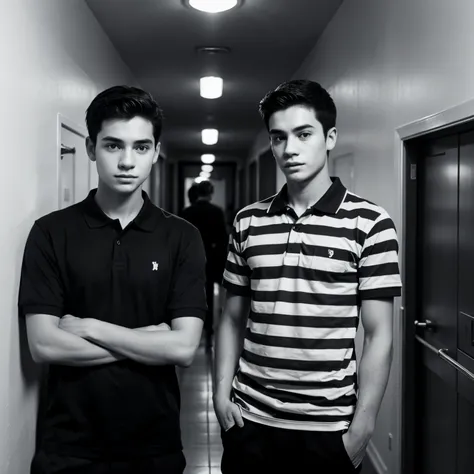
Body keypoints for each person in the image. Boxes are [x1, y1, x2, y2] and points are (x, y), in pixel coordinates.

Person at [213, 79, 402, 473]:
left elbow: (380, 333)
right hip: (250, 420)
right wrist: (219, 394)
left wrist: (364, 425)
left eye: (303, 134)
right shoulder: (248, 221)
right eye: (278, 138)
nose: (290, 149)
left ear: (330, 137)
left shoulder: (371, 224)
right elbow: (231, 318)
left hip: (329, 428)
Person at [18, 85, 207, 474]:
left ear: (156, 152)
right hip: (68, 446)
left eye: (140, 147)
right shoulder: (51, 233)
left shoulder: (181, 236)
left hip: (155, 444)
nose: (126, 161)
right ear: (90, 148)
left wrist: (89, 327)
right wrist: (153, 339)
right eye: (112, 146)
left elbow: (185, 349)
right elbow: (43, 345)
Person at [180, 180, 228, 348]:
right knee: (209, 292)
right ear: (210, 193)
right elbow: (223, 239)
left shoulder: (187, 212)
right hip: (213, 258)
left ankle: (191, 325)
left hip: (192, 259)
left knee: (191, 293)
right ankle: (209, 327)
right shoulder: (217, 212)